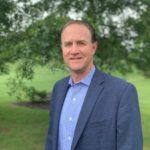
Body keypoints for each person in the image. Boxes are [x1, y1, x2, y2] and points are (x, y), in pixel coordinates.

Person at [45, 20, 143, 150]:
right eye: (68, 44)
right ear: (62, 49)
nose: (74, 50)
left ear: (94, 47)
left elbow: (130, 146)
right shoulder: (59, 88)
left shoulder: (121, 92)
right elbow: (52, 140)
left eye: (81, 43)